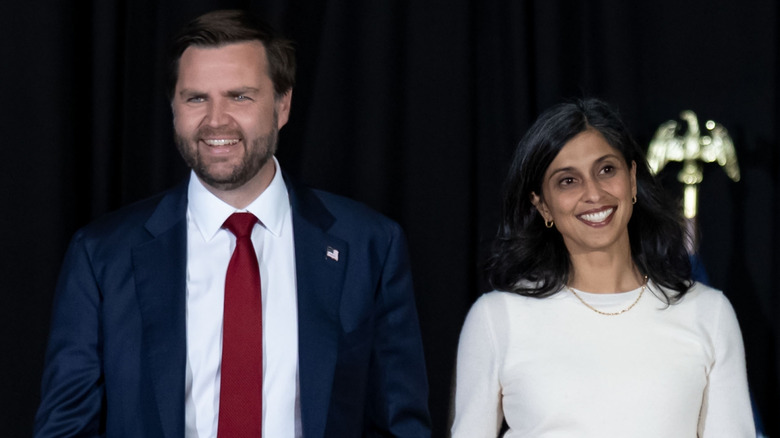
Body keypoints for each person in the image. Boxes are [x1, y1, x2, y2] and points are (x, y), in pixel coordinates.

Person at [34, 9, 430, 438]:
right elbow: (65, 429)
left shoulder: (370, 245)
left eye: (239, 96)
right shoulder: (101, 255)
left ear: (282, 105)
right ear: (173, 109)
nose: (216, 120)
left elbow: (398, 426)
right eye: (196, 98)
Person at [451, 98, 753, 437]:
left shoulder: (708, 313)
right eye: (568, 181)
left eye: (606, 170)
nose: (593, 193)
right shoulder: (496, 319)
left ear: (633, 177)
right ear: (543, 205)